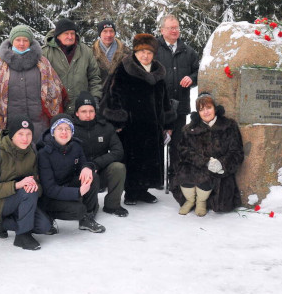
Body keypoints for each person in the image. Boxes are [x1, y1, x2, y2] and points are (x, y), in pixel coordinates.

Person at [100, 33, 175, 205]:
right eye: (141, 52)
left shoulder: (158, 72)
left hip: (153, 125)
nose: (145, 55)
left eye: (149, 52)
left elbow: (165, 100)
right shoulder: (124, 69)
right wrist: (118, 120)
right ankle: (131, 192)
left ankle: (143, 191)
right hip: (131, 126)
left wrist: (168, 123)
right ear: (135, 52)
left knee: (150, 159)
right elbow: (112, 95)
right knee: (132, 159)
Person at [0, 116, 52, 250]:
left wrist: (35, 186)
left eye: (28, 134)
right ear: (12, 135)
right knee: (26, 190)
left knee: (44, 226)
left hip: (20, 199)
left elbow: (37, 183)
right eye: (20, 134)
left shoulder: (31, 152)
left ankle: (3, 223)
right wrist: (17, 185)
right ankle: (22, 236)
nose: (25, 138)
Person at [0, 25, 66, 143]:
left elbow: (55, 89)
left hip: (39, 123)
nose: (21, 43)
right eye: (18, 40)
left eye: (25, 40)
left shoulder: (42, 63)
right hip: (10, 124)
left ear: (30, 42)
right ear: (11, 41)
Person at [171, 93, 244, 216]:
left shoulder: (229, 126)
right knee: (185, 175)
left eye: (208, 108)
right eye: (201, 109)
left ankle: (204, 201)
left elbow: (236, 152)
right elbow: (183, 151)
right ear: (197, 112)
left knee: (222, 205)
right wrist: (204, 161)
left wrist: (222, 165)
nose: (206, 112)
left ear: (215, 108)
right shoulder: (189, 129)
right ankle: (192, 201)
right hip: (197, 169)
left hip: (220, 173)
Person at [37, 114, 106, 233]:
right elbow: (49, 189)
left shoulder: (75, 146)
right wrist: (77, 192)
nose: (64, 132)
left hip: (67, 186)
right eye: (60, 128)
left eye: (68, 129)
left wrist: (86, 167)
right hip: (50, 197)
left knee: (92, 176)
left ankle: (87, 218)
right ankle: (48, 215)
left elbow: (84, 163)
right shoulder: (44, 153)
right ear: (53, 132)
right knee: (79, 210)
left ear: (72, 132)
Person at [155, 14, 200, 183]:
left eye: (177, 27)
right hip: (158, 106)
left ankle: (175, 177)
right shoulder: (153, 49)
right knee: (157, 142)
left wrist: (192, 78)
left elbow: (198, 71)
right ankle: (157, 177)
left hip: (180, 106)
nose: (175, 31)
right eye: (171, 28)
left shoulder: (188, 51)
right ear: (162, 30)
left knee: (177, 144)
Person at [72, 91, 129, 217]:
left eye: (91, 111)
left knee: (118, 167)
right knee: (86, 209)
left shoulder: (105, 127)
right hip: (80, 177)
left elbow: (118, 151)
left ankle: (113, 205)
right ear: (76, 113)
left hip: (101, 171)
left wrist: (96, 164)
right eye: (83, 111)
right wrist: (85, 168)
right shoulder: (70, 130)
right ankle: (88, 205)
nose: (88, 115)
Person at [42, 19, 103, 112]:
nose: (70, 37)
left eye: (72, 33)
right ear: (58, 35)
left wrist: (94, 98)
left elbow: (94, 78)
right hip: (55, 109)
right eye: (66, 33)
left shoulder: (86, 51)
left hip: (81, 108)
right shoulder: (45, 52)